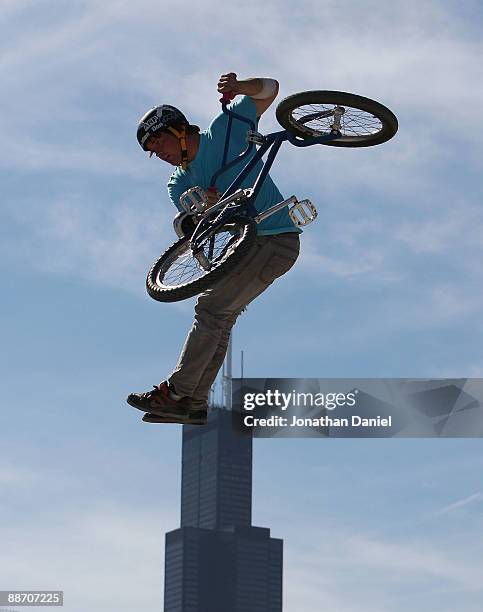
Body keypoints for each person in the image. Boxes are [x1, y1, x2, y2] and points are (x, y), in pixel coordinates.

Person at [127, 72, 302, 425]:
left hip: (275, 237)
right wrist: (207, 208)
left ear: (178, 131)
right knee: (217, 318)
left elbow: (270, 90)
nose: (158, 154)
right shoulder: (179, 182)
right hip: (248, 246)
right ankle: (192, 403)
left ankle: (176, 391)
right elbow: (194, 218)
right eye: (152, 152)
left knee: (210, 309)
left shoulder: (225, 131)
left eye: (159, 143)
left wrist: (240, 88)